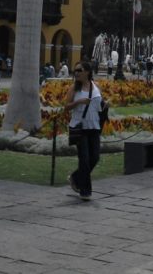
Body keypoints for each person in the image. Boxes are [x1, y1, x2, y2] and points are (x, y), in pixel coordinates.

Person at [65, 60, 103, 201]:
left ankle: (75, 177)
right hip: (80, 127)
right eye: (75, 70)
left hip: (94, 126)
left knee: (95, 157)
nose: (76, 73)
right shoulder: (74, 88)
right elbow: (66, 107)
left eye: (79, 70)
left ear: (87, 72)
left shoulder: (96, 86)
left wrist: (105, 106)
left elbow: (99, 106)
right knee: (85, 159)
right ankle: (85, 191)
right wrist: (78, 102)